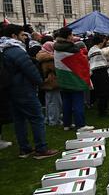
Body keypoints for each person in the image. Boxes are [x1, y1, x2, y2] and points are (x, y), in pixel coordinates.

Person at [0, 24, 58, 159]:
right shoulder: (15, 50)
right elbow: (29, 69)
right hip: (23, 88)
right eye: (22, 35)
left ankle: (24, 149)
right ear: (14, 36)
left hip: (10, 89)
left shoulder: (3, 49)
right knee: (37, 117)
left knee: (19, 119)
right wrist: (40, 81)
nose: (24, 38)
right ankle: (41, 149)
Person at [54, 27, 94, 132]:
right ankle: (80, 125)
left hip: (62, 79)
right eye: (71, 35)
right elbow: (82, 62)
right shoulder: (71, 49)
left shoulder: (56, 47)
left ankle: (67, 124)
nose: (73, 37)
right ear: (68, 36)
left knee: (66, 102)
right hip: (74, 79)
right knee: (78, 102)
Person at [36, 41, 62, 126]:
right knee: (54, 102)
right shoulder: (49, 58)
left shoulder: (42, 56)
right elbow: (55, 68)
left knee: (49, 101)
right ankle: (54, 120)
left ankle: (48, 119)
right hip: (52, 81)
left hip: (47, 81)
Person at [88, 35, 109, 117]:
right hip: (101, 72)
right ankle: (103, 111)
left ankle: (102, 109)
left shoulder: (91, 50)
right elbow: (105, 61)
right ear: (101, 42)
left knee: (99, 92)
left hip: (94, 73)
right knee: (104, 93)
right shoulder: (99, 51)